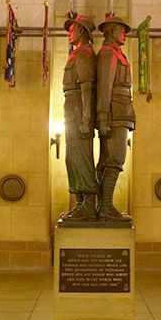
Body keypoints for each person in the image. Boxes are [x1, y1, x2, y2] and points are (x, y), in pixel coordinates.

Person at [95, 15, 135, 222]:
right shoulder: (108, 53)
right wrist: (102, 117)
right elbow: (104, 86)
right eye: (121, 30)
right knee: (115, 159)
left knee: (110, 161)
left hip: (121, 113)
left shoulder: (118, 54)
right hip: (114, 114)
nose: (124, 34)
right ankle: (106, 207)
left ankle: (103, 206)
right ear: (110, 31)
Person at [62, 15, 98, 220]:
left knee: (81, 157)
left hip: (78, 109)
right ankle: (80, 202)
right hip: (70, 107)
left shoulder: (85, 54)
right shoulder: (75, 54)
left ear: (83, 31)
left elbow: (86, 89)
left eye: (73, 28)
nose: (69, 32)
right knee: (71, 158)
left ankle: (89, 204)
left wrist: (86, 119)